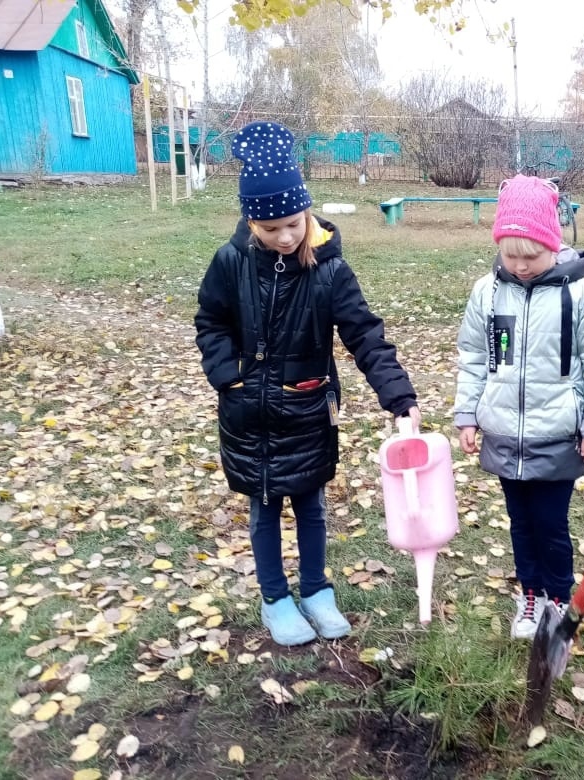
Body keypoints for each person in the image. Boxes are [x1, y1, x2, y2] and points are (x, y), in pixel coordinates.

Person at [195, 121, 421, 646]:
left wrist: (399, 396)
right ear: (252, 221)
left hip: (307, 410)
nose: (286, 236)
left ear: (306, 211)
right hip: (248, 413)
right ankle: (275, 598)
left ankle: (317, 590)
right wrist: (227, 375)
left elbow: (364, 334)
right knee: (264, 508)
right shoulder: (230, 263)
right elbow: (210, 320)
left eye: (293, 223)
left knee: (313, 505)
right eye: (271, 228)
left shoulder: (329, 270)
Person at [454, 175, 584, 641]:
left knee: (551, 525)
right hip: (505, 432)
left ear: (553, 244)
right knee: (521, 524)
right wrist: (467, 413)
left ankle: (558, 599)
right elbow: (473, 356)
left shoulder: (583, 295)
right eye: (511, 256)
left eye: (532, 256)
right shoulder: (487, 293)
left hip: (558, 435)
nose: (521, 266)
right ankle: (530, 594)